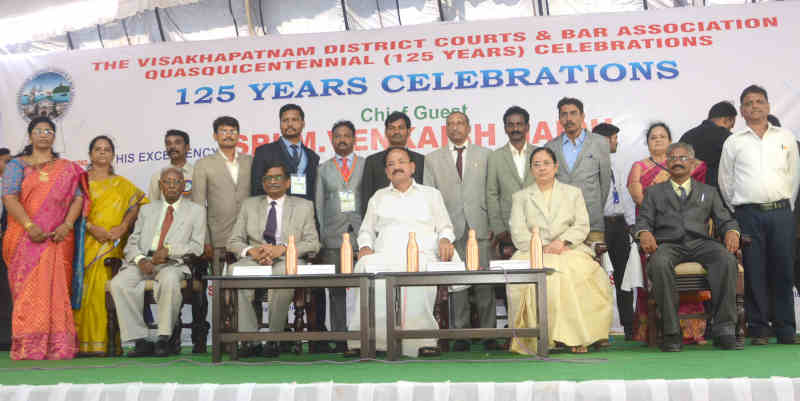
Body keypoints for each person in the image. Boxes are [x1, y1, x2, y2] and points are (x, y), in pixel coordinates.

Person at [348, 147, 456, 358]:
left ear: (412, 167)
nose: (396, 167)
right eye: (391, 164)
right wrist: (365, 246)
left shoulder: (431, 195)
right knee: (367, 266)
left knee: (417, 267)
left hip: (421, 252)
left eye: (401, 162)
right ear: (387, 172)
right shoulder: (378, 197)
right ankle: (369, 341)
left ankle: (422, 341)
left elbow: (446, 228)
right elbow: (366, 231)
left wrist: (445, 239)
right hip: (385, 253)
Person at [635, 143, 740, 351]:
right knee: (659, 262)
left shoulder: (708, 191)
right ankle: (672, 332)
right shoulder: (654, 192)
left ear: (692, 163)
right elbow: (643, 221)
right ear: (667, 163)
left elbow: (725, 220)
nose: (677, 162)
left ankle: (724, 328)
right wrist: (644, 233)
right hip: (668, 244)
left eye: (683, 158)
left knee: (726, 259)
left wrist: (731, 231)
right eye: (672, 158)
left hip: (701, 243)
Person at [507, 147, 612, 354]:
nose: (541, 168)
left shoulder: (573, 193)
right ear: (531, 169)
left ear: (555, 167)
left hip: (568, 248)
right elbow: (517, 231)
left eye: (546, 163)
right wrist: (540, 245)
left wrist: (562, 242)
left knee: (574, 272)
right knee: (543, 274)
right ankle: (542, 337)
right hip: (533, 251)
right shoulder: (521, 197)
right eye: (536, 164)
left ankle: (577, 336)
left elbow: (582, 225)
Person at [719, 84, 800, 345]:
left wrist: (785, 206)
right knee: (754, 272)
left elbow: (794, 177)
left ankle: (786, 329)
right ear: (742, 111)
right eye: (749, 103)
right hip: (748, 214)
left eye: (759, 101)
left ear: (768, 106)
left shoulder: (785, 137)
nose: (755, 106)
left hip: (780, 213)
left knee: (783, 270)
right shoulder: (734, 142)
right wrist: (739, 210)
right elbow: (725, 181)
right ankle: (758, 329)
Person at [2, 116, 84, 360]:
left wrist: (67, 225)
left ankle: (58, 347)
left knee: (56, 293)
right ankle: (30, 346)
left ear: (54, 136)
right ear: (30, 135)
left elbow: (78, 198)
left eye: (49, 130)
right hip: (24, 239)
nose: (44, 134)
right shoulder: (17, 165)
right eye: (39, 130)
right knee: (27, 293)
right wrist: (29, 225)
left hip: (58, 239)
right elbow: (9, 197)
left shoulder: (67, 168)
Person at [109, 167, 206, 357]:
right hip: (143, 262)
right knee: (118, 283)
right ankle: (140, 340)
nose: (171, 186)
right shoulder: (147, 210)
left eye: (176, 182)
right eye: (167, 182)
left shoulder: (196, 211)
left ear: (183, 186)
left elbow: (197, 246)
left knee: (169, 280)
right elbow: (132, 242)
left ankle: (164, 337)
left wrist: (169, 251)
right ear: (160, 184)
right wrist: (140, 259)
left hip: (172, 263)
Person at [228, 160, 320, 358]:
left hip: (286, 258)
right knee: (234, 271)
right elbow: (233, 241)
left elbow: (313, 243)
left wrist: (284, 249)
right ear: (263, 184)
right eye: (268, 178)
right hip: (256, 258)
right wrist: (252, 251)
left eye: (278, 177)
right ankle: (250, 339)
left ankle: (274, 338)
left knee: (284, 272)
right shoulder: (249, 205)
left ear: (287, 183)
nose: (273, 182)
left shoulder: (304, 206)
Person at [627, 122, 709, 343]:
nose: (658, 140)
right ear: (647, 143)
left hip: (687, 231)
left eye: (663, 136)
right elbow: (638, 196)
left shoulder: (685, 164)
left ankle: (691, 331)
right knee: (656, 275)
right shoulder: (640, 166)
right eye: (653, 137)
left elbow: (697, 183)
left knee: (688, 283)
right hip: (652, 231)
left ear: (671, 141)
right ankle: (657, 330)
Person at [423, 111, 496, 351]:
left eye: (460, 123)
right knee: (458, 284)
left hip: (480, 226)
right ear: (445, 129)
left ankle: (489, 333)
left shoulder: (486, 155)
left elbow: (492, 192)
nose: (455, 128)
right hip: (450, 230)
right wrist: (437, 232)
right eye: (450, 124)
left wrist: (495, 224)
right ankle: (461, 333)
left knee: (485, 282)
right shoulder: (432, 159)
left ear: (468, 127)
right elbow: (429, 199)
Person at [73, 136, 147, 356]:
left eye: (107, 149)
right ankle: (82, 343)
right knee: (85, 291)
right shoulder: (81, 182)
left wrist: (124, 225)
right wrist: (91, 227)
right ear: (90, 154)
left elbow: (138, 204)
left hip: (112, 246)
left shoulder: (122, 184)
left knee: (105, 288)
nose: (102, 153)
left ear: (113, 155)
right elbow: (70, 210)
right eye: (98, 149)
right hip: (85, 245)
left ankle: (106, 343)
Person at [314, 120, 365, 353]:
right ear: (331, 140)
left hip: (362, 235)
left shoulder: (367, 165)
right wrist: (322, 237)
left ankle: (366, 334)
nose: (342, 139)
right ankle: (340, 336)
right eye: (338, 136)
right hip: (333, 236)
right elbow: (318, 205)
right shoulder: (323, 169)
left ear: (354, 139)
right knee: (336, 290)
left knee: (367, 287)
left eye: (347, 136)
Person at [545, 97, 611, 242]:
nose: (569, 118)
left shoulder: (600, 143)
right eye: (564, 114)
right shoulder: (550, 147)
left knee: (594, 263)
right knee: (565, 264)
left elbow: (604, 183)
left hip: (592, 222)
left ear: (582, 116)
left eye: (573, 113)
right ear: (559, 119)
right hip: (561, 225)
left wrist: (595, 208)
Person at [192, 116, 253, 275]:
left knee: (250, 287)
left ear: (239, 135)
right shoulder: (203, 164)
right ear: (215, 136)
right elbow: (198, 206)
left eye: (232, 131)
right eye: (223, 131)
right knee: (221, 290)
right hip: (218, 237)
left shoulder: (250, 161)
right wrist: (204, 240)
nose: (228, 135)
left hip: (249, 236)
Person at [593, 123, 636, 340]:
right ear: (604, 140)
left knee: (624, 277)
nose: (616, 142)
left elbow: (625, 196)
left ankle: (629, 327)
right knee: (595, 278)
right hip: (598, 225)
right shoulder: (589, 165)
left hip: (619, 225)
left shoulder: (617, 164)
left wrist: (632, 224)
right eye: (614, 138)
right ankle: (597, 329)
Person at [487, 106, 534, 257]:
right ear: (505, 128)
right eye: (511, 125)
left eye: (519, 124)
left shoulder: (540, 154)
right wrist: (499, 229)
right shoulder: (495, 157)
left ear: (527, 127)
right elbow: (491, 194)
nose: (515, 128)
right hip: (508, 230)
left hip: (538, 227)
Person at [250, 104, 320, 202]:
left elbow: (315, 192)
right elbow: (256, 190)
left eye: (294, 120)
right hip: (275, 213)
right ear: (280, 124)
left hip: (305, 213)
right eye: (285, 120)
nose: (290, 124)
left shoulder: (313, 156)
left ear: (303, 123)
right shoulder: (264, 152)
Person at [360, 111, 425, 216]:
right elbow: (366, 198)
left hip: (415, 218)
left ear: (408, 132)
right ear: (386, 132)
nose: (396, 131)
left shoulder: (421, 160)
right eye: (392, 128)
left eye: (401, 128)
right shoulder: (372, 161)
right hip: (383, 221)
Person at [679, 101, 737, 190]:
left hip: (687, 194)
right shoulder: (728, 138)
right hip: (715, 196)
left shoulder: (686, 136)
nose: (731, 129)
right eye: (731, 125)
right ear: (727, 120)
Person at [147, 130, 193, 200]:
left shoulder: (197, 174)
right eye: (168, 143)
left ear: (187, 147)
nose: (172, 147)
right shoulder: (157, 176)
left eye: (177, 143)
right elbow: (152, 206)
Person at [0, 147, 12, 351]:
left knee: (7, 290)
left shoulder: (14, 186)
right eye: (5, 161)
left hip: (9, 243)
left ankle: (5, 338)